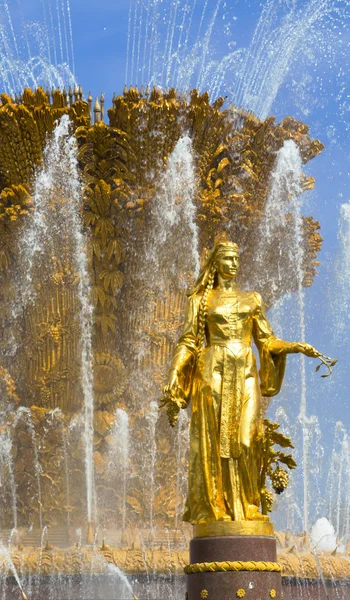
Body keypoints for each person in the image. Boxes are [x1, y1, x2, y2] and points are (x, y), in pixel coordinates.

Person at [162, 240, 324, 524]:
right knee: (215, 443)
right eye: (228, 258)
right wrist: (175, 371)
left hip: (245, 372)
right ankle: (218, 508)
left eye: (237, 258)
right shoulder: (200, 300)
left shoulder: (253, 299)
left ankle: (248, 504)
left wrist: (294, 347)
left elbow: (266, 339)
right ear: (216, 263)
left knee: (247, 440)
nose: (234, 264)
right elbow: (189, 341)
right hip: (212, 372)